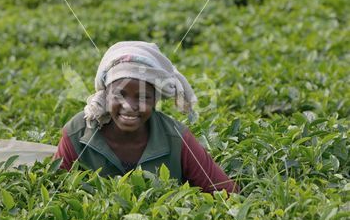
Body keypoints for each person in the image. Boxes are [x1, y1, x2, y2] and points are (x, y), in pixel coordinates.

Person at [55, 41, 239, 194]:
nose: (129, 106)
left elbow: (227, 194)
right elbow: (54, 191)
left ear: (155, 100)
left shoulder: (176, 138)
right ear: (105, 94)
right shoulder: (77, 133)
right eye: (119, 94)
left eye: (143, 97)